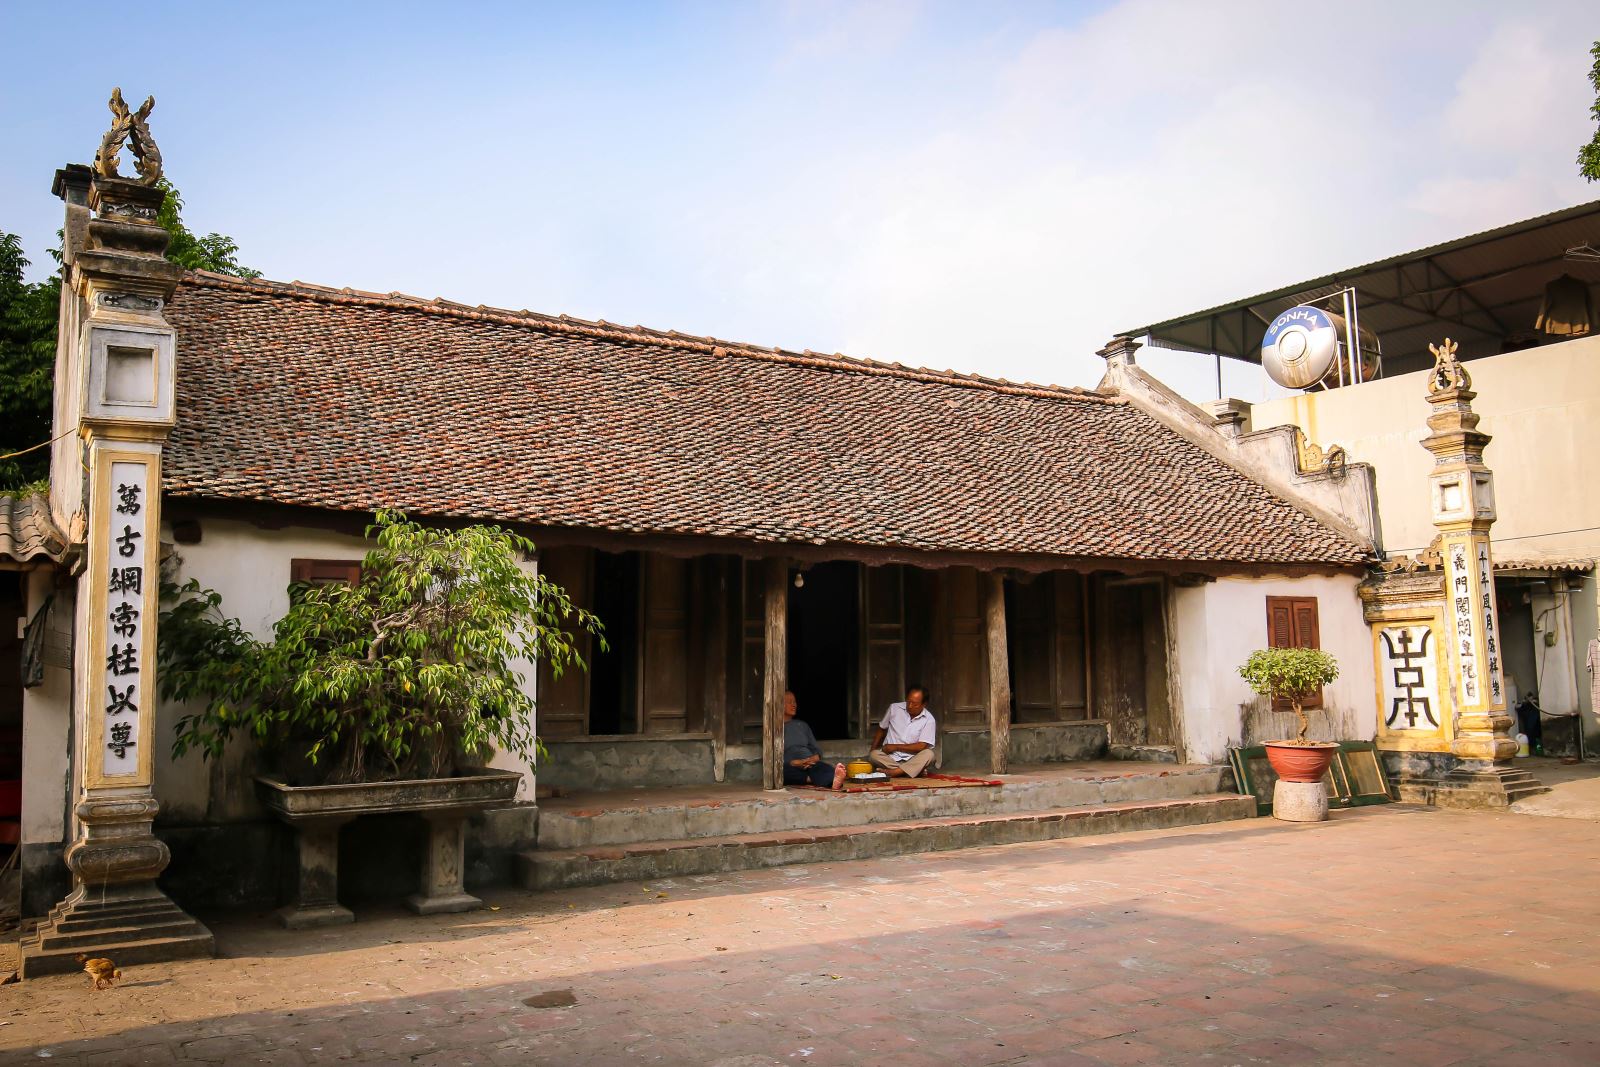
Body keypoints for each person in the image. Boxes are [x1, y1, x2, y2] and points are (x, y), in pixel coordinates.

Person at [782, 691, 847, 789]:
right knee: (782, 773)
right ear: (779, 705)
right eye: (789, 702)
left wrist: (811, 760)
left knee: (824, 767)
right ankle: (815, 779)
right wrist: (793, 762)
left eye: (794, 702)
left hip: (809, 764)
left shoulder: (802, 725)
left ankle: (833, 781)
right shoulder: (775, 729)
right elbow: (773, 757)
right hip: (790, 766)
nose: (794, 705)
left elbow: (816, 750)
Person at [868, 685, 936, 778]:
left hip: (913, 759)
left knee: (929, 754)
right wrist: (871, 752)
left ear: (924, 704)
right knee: (874, 755)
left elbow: (921, 746)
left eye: (915, 704)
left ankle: (895, 772)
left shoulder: (929, 719)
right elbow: (881, 729)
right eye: (908, 701)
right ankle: (913, 771)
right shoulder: (894, 708)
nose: (910, 706)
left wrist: (895, 747)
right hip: (890, 758)